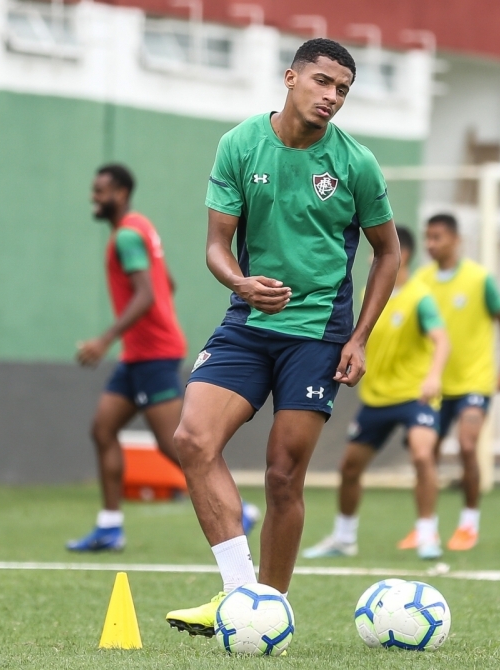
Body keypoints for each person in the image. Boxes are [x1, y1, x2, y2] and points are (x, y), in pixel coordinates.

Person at [163, 38, 401, 637]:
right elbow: (217, 245)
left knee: (281, 475)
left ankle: (272, 607)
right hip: (247, 324)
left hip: (318, 335)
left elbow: (389, 254)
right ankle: (245, 600)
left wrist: (360, 338)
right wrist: (241, 283)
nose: (332, 97)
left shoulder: (356, 164)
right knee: (193, 439)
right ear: (291, 77)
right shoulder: (240, 144)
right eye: (323, 82)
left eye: (343, 90)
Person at [68, 164, 258, 552]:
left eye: (100, 191)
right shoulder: (142, 227)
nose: (94, 198)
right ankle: (109, 526)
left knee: (180, 444)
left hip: (153, 354)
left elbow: (146, 294)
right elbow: (164, 283)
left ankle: (243, 511)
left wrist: (104, 340)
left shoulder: (126, 237)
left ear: (120, 193)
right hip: (140, 353)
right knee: (103, 429)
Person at [303, 226, 450, 561]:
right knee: (350, 467)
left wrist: (433, 377)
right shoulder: (373, 295)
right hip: (377, 399)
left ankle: (427, 534)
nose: (371, 256)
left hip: (416, 396)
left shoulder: (420, 297)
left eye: (376, 250)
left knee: (422, 454)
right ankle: (344, 538)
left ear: (403, 254)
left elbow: (442, 340)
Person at [398, 212, 500, 552]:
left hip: (475, 381)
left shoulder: (479, 279)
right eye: (428, 238)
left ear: (456, 239)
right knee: (426, 455)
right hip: (435, 386)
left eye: (438, 238)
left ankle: (468, 524)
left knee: (466, 445)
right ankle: (426, 529)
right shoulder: (422, 280)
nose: (431, 244)